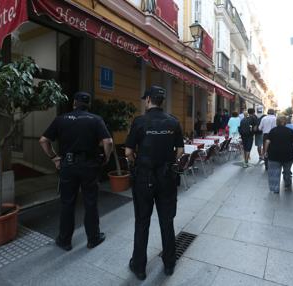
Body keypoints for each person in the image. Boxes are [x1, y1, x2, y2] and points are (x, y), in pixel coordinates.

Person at [39, 91, 114, 251]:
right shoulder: (95, 119)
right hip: (89, 165)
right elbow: (108, 141)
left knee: (67, 203)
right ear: (89, 105)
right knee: (90, 203)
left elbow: (43, 140)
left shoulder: (61, 119)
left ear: (74, 103)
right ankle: (93, 238)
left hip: (68, 165)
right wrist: (106, 158)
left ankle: (64, 241)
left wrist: (54, 158)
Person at [125, 85, 184, 280]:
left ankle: (139, 267)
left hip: (144, 178)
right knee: (166, 221)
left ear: (149, 99)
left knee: (142, 221)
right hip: (167, 177)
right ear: (162, 101)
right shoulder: (173, 122)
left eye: (145, 99)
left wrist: (135, 163)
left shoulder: (140, 121)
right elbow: (180, 151)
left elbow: (128, 152)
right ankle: (169, 264)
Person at [264, 115, 293, 193]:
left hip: (274, 155)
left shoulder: (272, 130)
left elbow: (267, 142)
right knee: (287, 171)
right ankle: (287, 185)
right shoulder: (290, 131)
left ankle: (275, 189)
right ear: (285, 122)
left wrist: (265, 152)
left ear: (277, 122)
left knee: (274, 172)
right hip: (288, 155)